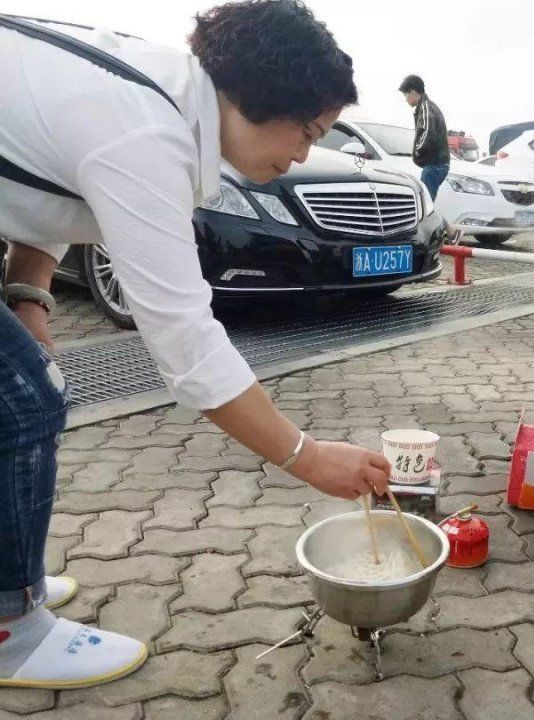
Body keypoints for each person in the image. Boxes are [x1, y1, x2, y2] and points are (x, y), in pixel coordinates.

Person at [0, 1, 391, 690]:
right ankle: (11, 629)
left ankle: (9, 579)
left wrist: (28, 292)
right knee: (25, 402)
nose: (304, 153)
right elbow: (184, 340)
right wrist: (307, 457)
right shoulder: (146, 133)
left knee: (19, 392)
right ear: (255, 97)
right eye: (307, 130)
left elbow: (54, 183)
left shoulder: (160, 99)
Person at [398, 74, 450, 200]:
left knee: (425, 205)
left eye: (406, 95)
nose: (406, 100)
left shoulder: (426, 107)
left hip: (434, 165)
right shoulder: (426, 107)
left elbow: (428, 132)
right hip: (436, 165)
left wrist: (417, 151)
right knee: (426, 202)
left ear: (412, 92)